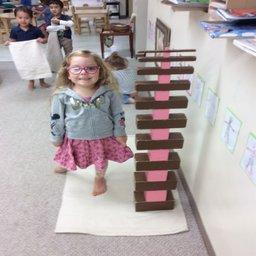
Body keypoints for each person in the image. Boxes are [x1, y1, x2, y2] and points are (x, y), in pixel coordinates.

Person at [50, 50, 133, 196]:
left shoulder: (109, 92)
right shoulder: (61, 95)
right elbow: (56, 118)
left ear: (100, 71)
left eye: (91, 68)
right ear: (67, 72)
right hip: (75, 136)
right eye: (76, 68)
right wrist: (56, 137)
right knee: (69, 154)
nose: (84, 72)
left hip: (103, 136)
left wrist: (120, 132)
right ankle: (65, 165)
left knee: (100, 159)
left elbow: (118, 113)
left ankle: (99, 177)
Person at [5, 6, 50, 90]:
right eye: (20, 18)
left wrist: (42, 40)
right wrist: (9, 42)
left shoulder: (36, 30)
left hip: (36, 53)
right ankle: (31, 81)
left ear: (31, 18)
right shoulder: (15, 30)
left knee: (40, 66)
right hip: (24, 54)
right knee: (28, 67)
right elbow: (12, 40)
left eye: (26, 18)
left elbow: (45, 40)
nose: (23, 20)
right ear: (16, 18)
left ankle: (42, 81)